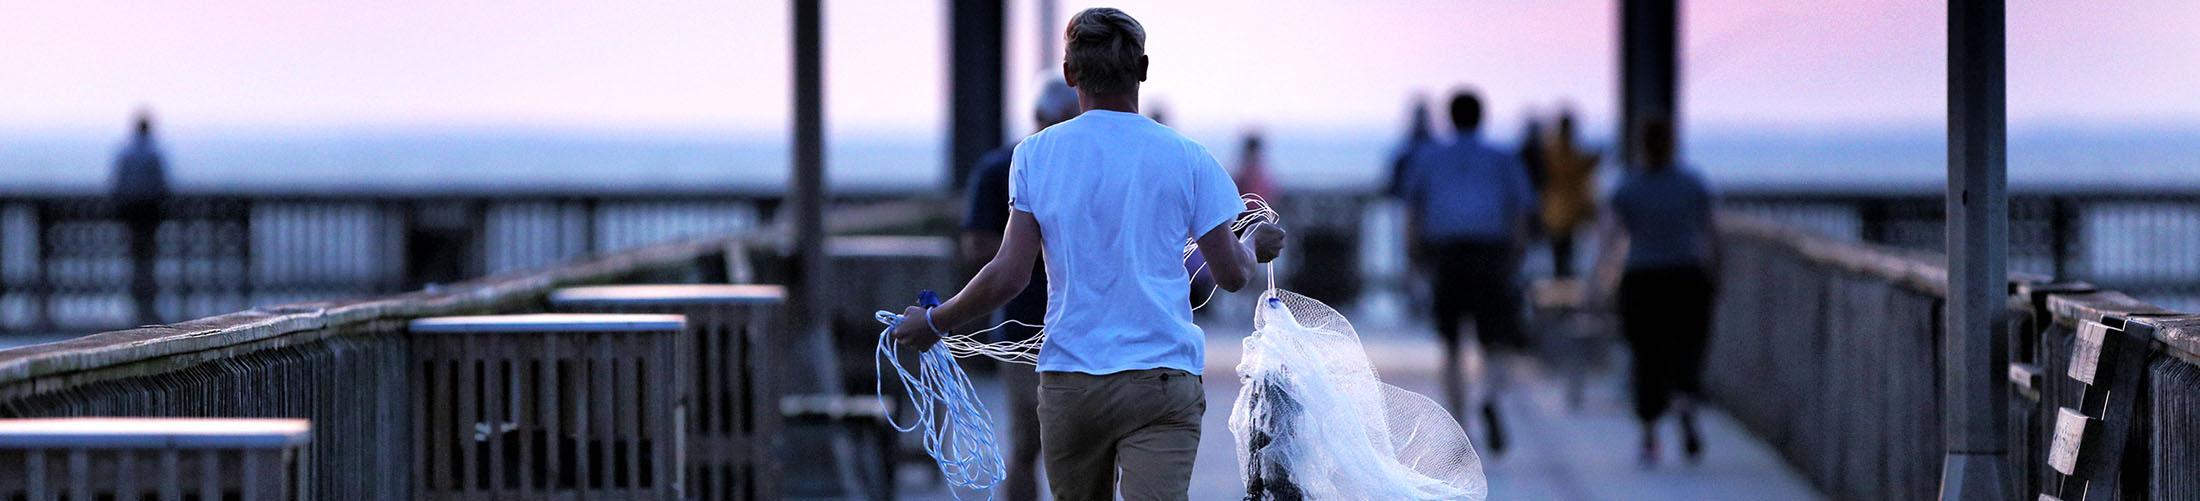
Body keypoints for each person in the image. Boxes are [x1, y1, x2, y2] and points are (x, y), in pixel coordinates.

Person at [893, 8, 1286, 500]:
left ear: (1069, 74)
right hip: (1161, 379)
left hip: (1071, 381)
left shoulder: (1036, 155)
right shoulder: (1187, 156)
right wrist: (1254, 244)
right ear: (1142, 69)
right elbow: (1230, 274)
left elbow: (1008, 275)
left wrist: (935, 322)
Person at [959, 75, 1080, 501]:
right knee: (1028, 442)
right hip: (1022, 325)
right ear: (1039, 118)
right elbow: (975, 243)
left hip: (1080, 325)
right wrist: (1030, 244)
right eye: (1061, 120)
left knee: (1081, 448)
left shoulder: (1084, 167)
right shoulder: (1001, 167)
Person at [1399, 89, 1536, 456]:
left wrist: (1412, 261)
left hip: (1446, 258)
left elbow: (1412, 212)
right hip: (1491, 256)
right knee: (1499, 341)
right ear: (1482, 116)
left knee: (1451, 343)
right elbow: (1520, 213)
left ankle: (1461, 426)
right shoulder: (1503, 158)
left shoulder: (1428, 157)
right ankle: (1489, 397)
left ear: (1450, 117)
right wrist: (1516, 258)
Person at [1606, 116, 1717, 467]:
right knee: (1686, 348)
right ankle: (1684, 400)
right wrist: (1715, 277)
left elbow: (1610, 240)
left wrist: (1601, 285)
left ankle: (1650, 435)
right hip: (1686, 276)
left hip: (1642, 279)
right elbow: (1712, 236)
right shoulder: (1692, 184)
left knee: (1646, 356)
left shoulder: (1628, 187)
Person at [112, 109, 170, 326]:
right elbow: (162, 183)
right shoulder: (155, 152)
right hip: (150, 210)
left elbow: (118, 183)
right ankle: (147, 299)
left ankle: (137, 298)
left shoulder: (125, 152)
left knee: (136, 253)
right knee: (148, 255)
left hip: (131, 210)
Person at [1539, 108, 1601, 278]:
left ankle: (1562, 278)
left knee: (1562, 250)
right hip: (1565, 208)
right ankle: (1563, 279)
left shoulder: (1551, 150)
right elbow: (1578, 168)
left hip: (1556, 209)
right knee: (1564, 250)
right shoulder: (1560, 151)